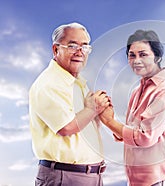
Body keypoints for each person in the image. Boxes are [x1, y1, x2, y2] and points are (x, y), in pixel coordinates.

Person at [99, 30, 165, 186]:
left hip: (160, 180)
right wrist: (110, 117)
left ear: (157, 57)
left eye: (143, 54)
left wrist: (109, 121)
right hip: (137, 181)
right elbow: (131, 133)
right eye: (132, 55)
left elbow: (144, 137)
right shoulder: (137, 91)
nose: (136, 60)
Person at [29, 22, 109, 186]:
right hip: (65, 177)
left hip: (90, 176)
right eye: (72, 45)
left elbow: (84, 127)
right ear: (56, 49)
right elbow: (66, 127)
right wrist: (92, 108)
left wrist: (99, 115)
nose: (80, 52)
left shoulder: (77, 82)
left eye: (85, 47)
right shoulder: (49, 83)